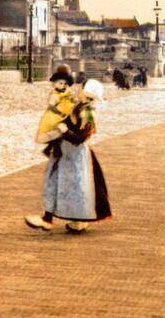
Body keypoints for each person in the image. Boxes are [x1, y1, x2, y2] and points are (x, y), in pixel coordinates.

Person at [25, 78, 112, 233]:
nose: (77, 89)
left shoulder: (87, 112)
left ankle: (65, 220)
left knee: (74, 186)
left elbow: (81, 137)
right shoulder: (79, 107)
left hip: (75, 155)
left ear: (86, 93)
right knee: (65, 184)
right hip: (67, 152)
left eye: (81, 88)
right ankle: (51, 218)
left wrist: (64, 131)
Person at [37, 65, 76, 139]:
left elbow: (51, 79)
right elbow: (71, 83)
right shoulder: (69, 77)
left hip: (57, 94)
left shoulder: (56, 76)